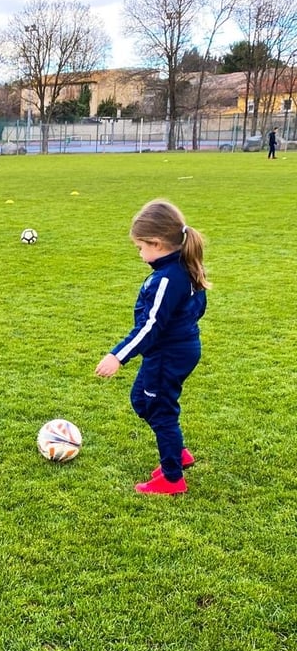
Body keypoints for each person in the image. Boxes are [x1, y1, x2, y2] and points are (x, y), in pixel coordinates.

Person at [95, 200, 209, 495]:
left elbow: (150, 326)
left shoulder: (167, 279)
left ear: (157, 244)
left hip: (167, 354)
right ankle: (178, 452)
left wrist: (117, 355)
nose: (140, 253)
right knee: (143, 400)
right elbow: (198, 308)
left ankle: (172, 478)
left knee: (159, 410)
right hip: (179, 349)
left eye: (140, 247)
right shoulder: (183, 266)